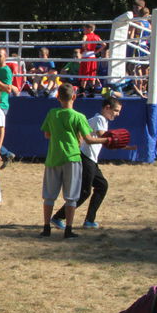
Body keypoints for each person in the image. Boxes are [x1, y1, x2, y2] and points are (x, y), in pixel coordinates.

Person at [39, 83, 109, 238]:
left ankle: (46, 228)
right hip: (72, 157)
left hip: (53, 157)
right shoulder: (79, 116)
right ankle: (69, 229)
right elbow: (89, 139)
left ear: (58, 97)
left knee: (49, 195)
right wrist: (107, 140)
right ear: (74, 97)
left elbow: (47, 134)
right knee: (71, 196)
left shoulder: (52, 113)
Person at [51, 97, 122, 230]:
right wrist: (112, 139)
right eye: (116, 111)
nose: (117, 114)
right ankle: (58, 217)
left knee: (102, 185)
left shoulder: (98, 119)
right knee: (84, 192)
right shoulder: (100, 119)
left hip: (90, 159)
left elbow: (81, 130)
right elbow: (102, 134)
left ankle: (89, 220)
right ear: (107, 108)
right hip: (86, 158)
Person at [79, 24, 106, 97]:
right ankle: (92, 92)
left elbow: (83, 43)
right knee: (92, 74)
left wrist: (84, 47)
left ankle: (82, 92)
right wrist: (97, 52)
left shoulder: (86, 36)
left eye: (84, 29)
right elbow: (104, 44)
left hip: (86, 57)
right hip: (93, 56)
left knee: (84, 75)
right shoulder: (96, 36)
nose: (83, 31)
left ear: (89, 29)